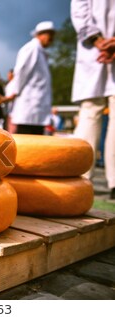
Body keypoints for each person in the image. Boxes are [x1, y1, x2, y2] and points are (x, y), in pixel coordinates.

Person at [71, 0, 115, 198]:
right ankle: (80, 176)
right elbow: (80, 10)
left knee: (90, 112)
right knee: (91, 110)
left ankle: (81, 179)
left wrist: (101, 41)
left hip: (96, 48)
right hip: (95, 51)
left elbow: (80, 10)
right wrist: (104, 43)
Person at [10, 21, 55, 135]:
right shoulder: (31, 48)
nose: (51, 39)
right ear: (41, 34)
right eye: (50, 35)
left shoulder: (40, 52)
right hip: (29, 103)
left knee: (36, 140)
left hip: (37, 106)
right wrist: (16, 90)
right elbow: (21, 71)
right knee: (26, 139)